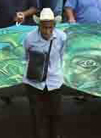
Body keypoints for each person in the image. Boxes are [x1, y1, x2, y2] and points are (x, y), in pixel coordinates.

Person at [23, 8, 67, 138]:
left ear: (54, 26)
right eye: (44, 28)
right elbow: (26, 56)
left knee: (56, 115)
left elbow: (61, 55)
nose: (47, 31)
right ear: (39, 26)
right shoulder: (29, 38)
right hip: (34, 83)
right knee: (37, 118)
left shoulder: (61, 37)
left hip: (54, 82)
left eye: (50, 28)